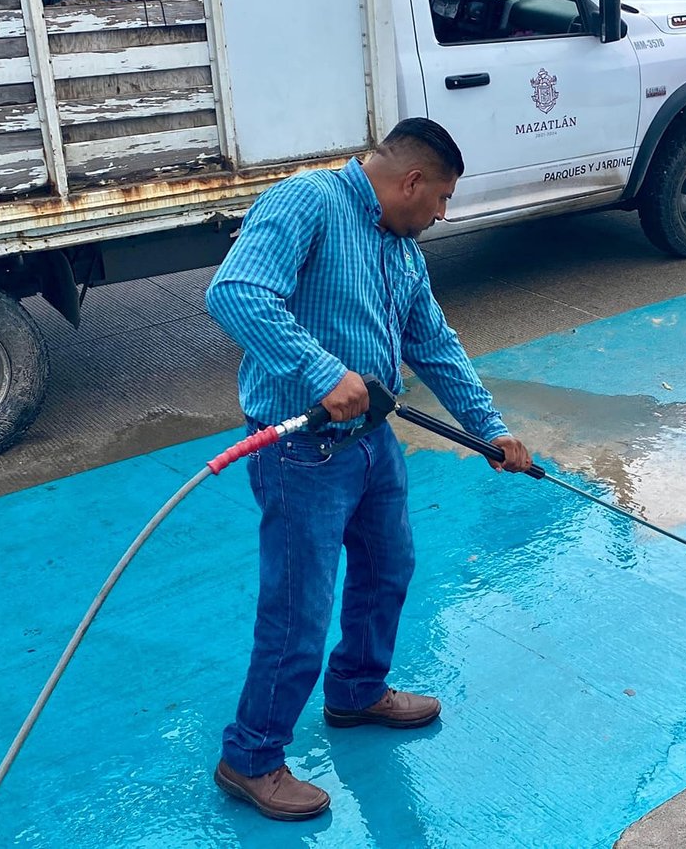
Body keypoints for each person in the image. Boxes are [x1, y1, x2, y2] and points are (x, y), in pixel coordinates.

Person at [204, 118, 532, 821]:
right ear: (411, 180)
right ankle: (251, 755)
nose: (442, 214)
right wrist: (320, 370)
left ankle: (356, 688)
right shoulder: (309, 202)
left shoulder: (400, 249)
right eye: (441, 198)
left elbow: (433, 341)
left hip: (373, 442)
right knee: (299, 608)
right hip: (301, 451)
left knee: (389, 567)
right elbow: (235, 293)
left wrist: (490, 429)